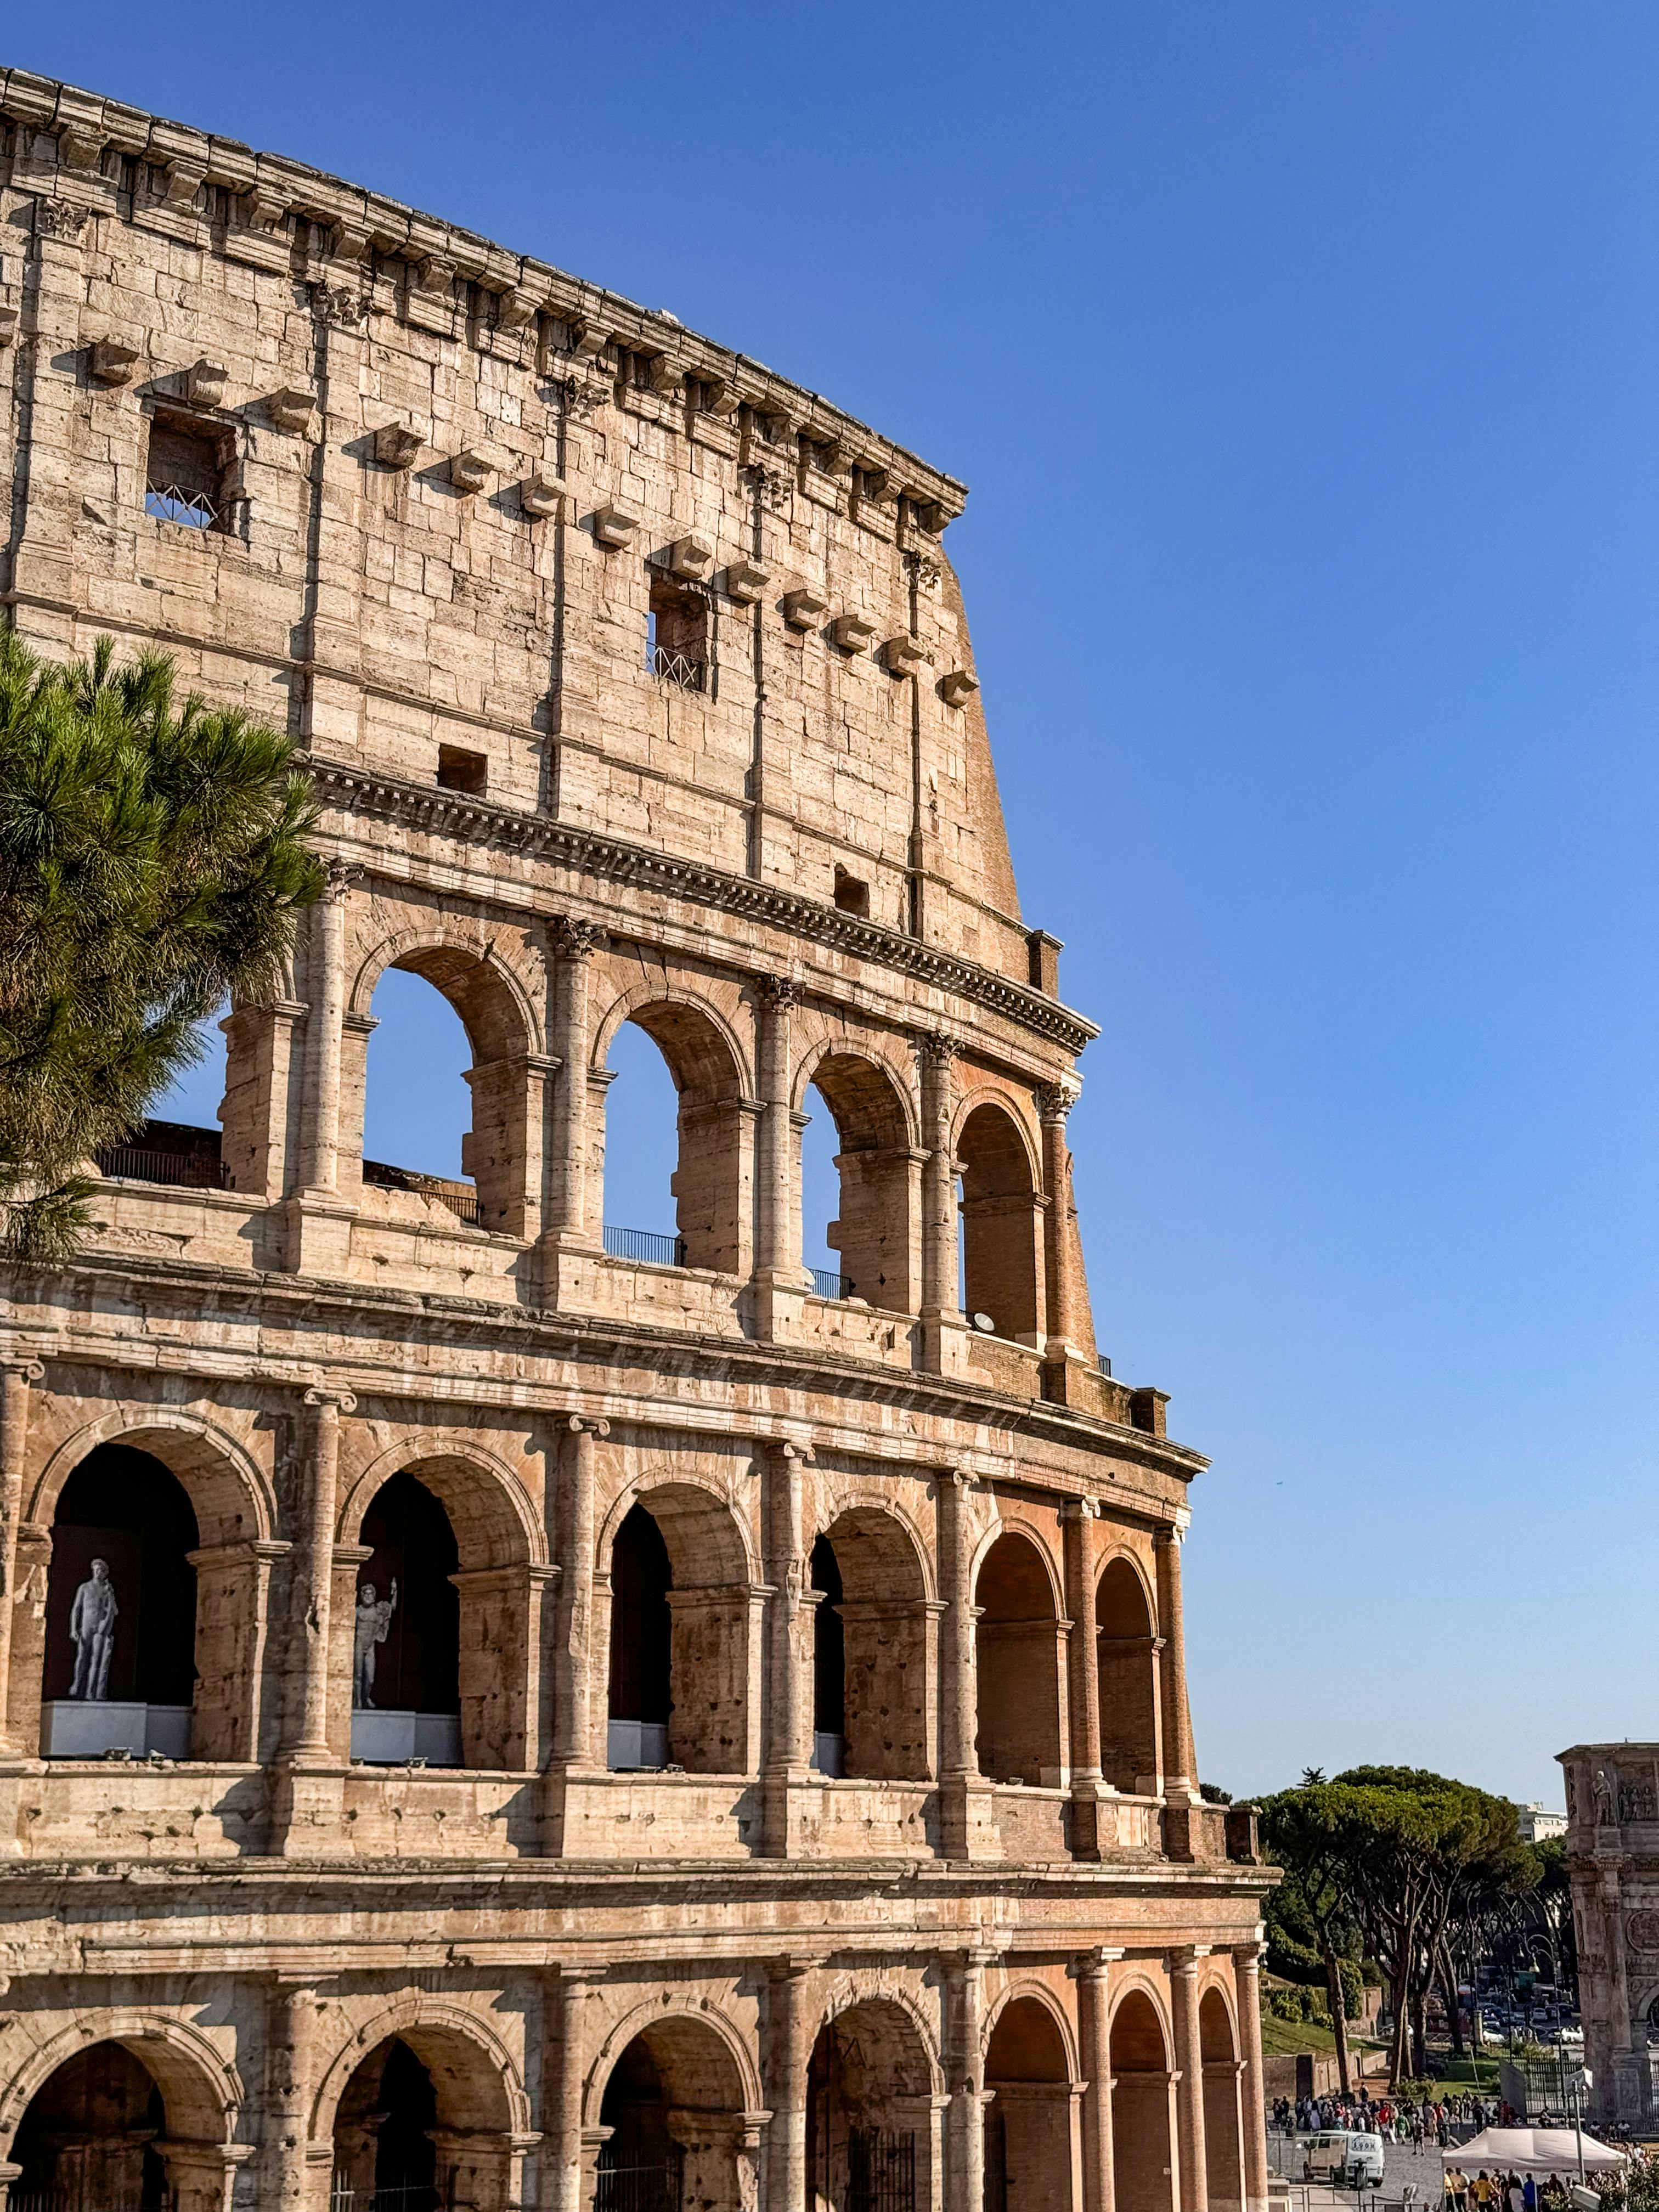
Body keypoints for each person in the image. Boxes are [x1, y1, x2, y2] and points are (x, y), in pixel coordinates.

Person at [68, 1557, 119, 1701]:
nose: (97, 1573)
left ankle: (91, 1691)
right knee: (82, 1656)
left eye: (101, 1571)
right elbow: (76, 1609)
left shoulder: (106, 1590)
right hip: (86, 1625)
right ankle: (77, 1685)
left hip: (100, 1627)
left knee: (96, 1659)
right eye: (96, 1570)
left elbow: (114, 1611)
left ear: (105, 1573)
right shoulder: (84, 1588)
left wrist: (110, 1594)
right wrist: (73, 1629)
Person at [352, 1576, 399, 1708]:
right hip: (359, 1643)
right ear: (362, 1597)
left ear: (374, 1596)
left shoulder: (378, 1610)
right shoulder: (358, 1611)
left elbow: (392, 1607)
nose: (368, 1596)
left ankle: (366, 1697)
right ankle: (358, 1701)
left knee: (370, 1678)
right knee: (358, 1675)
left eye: (370, 1594)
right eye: (366, 1594)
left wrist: (394, 1591)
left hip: (370, 1645)